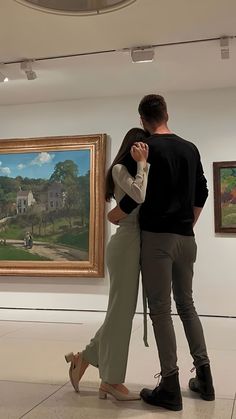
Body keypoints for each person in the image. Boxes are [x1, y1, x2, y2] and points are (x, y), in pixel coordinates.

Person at [108, 94, 215, 411]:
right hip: (186, 237)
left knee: (159, 310)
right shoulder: (189, 147)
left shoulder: (145, 150)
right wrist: (188, 222)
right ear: (167, 113)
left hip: (157, 239)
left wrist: (115, 216)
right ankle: (205, 377)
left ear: (142, 120)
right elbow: (203, 190)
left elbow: (136, 198)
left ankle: (170, 384)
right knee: (187, 305)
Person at [65, 128, 149, 401]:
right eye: (144, 147)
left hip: (132, 245)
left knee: (120, 312)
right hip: (124, 244)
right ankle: (111, 381)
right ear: (134, 146)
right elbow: (138, 196)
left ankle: (84, 359)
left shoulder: (134, 170)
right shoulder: (120, 169)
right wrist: (142, 165)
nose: (147, 152)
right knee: (121, 314)